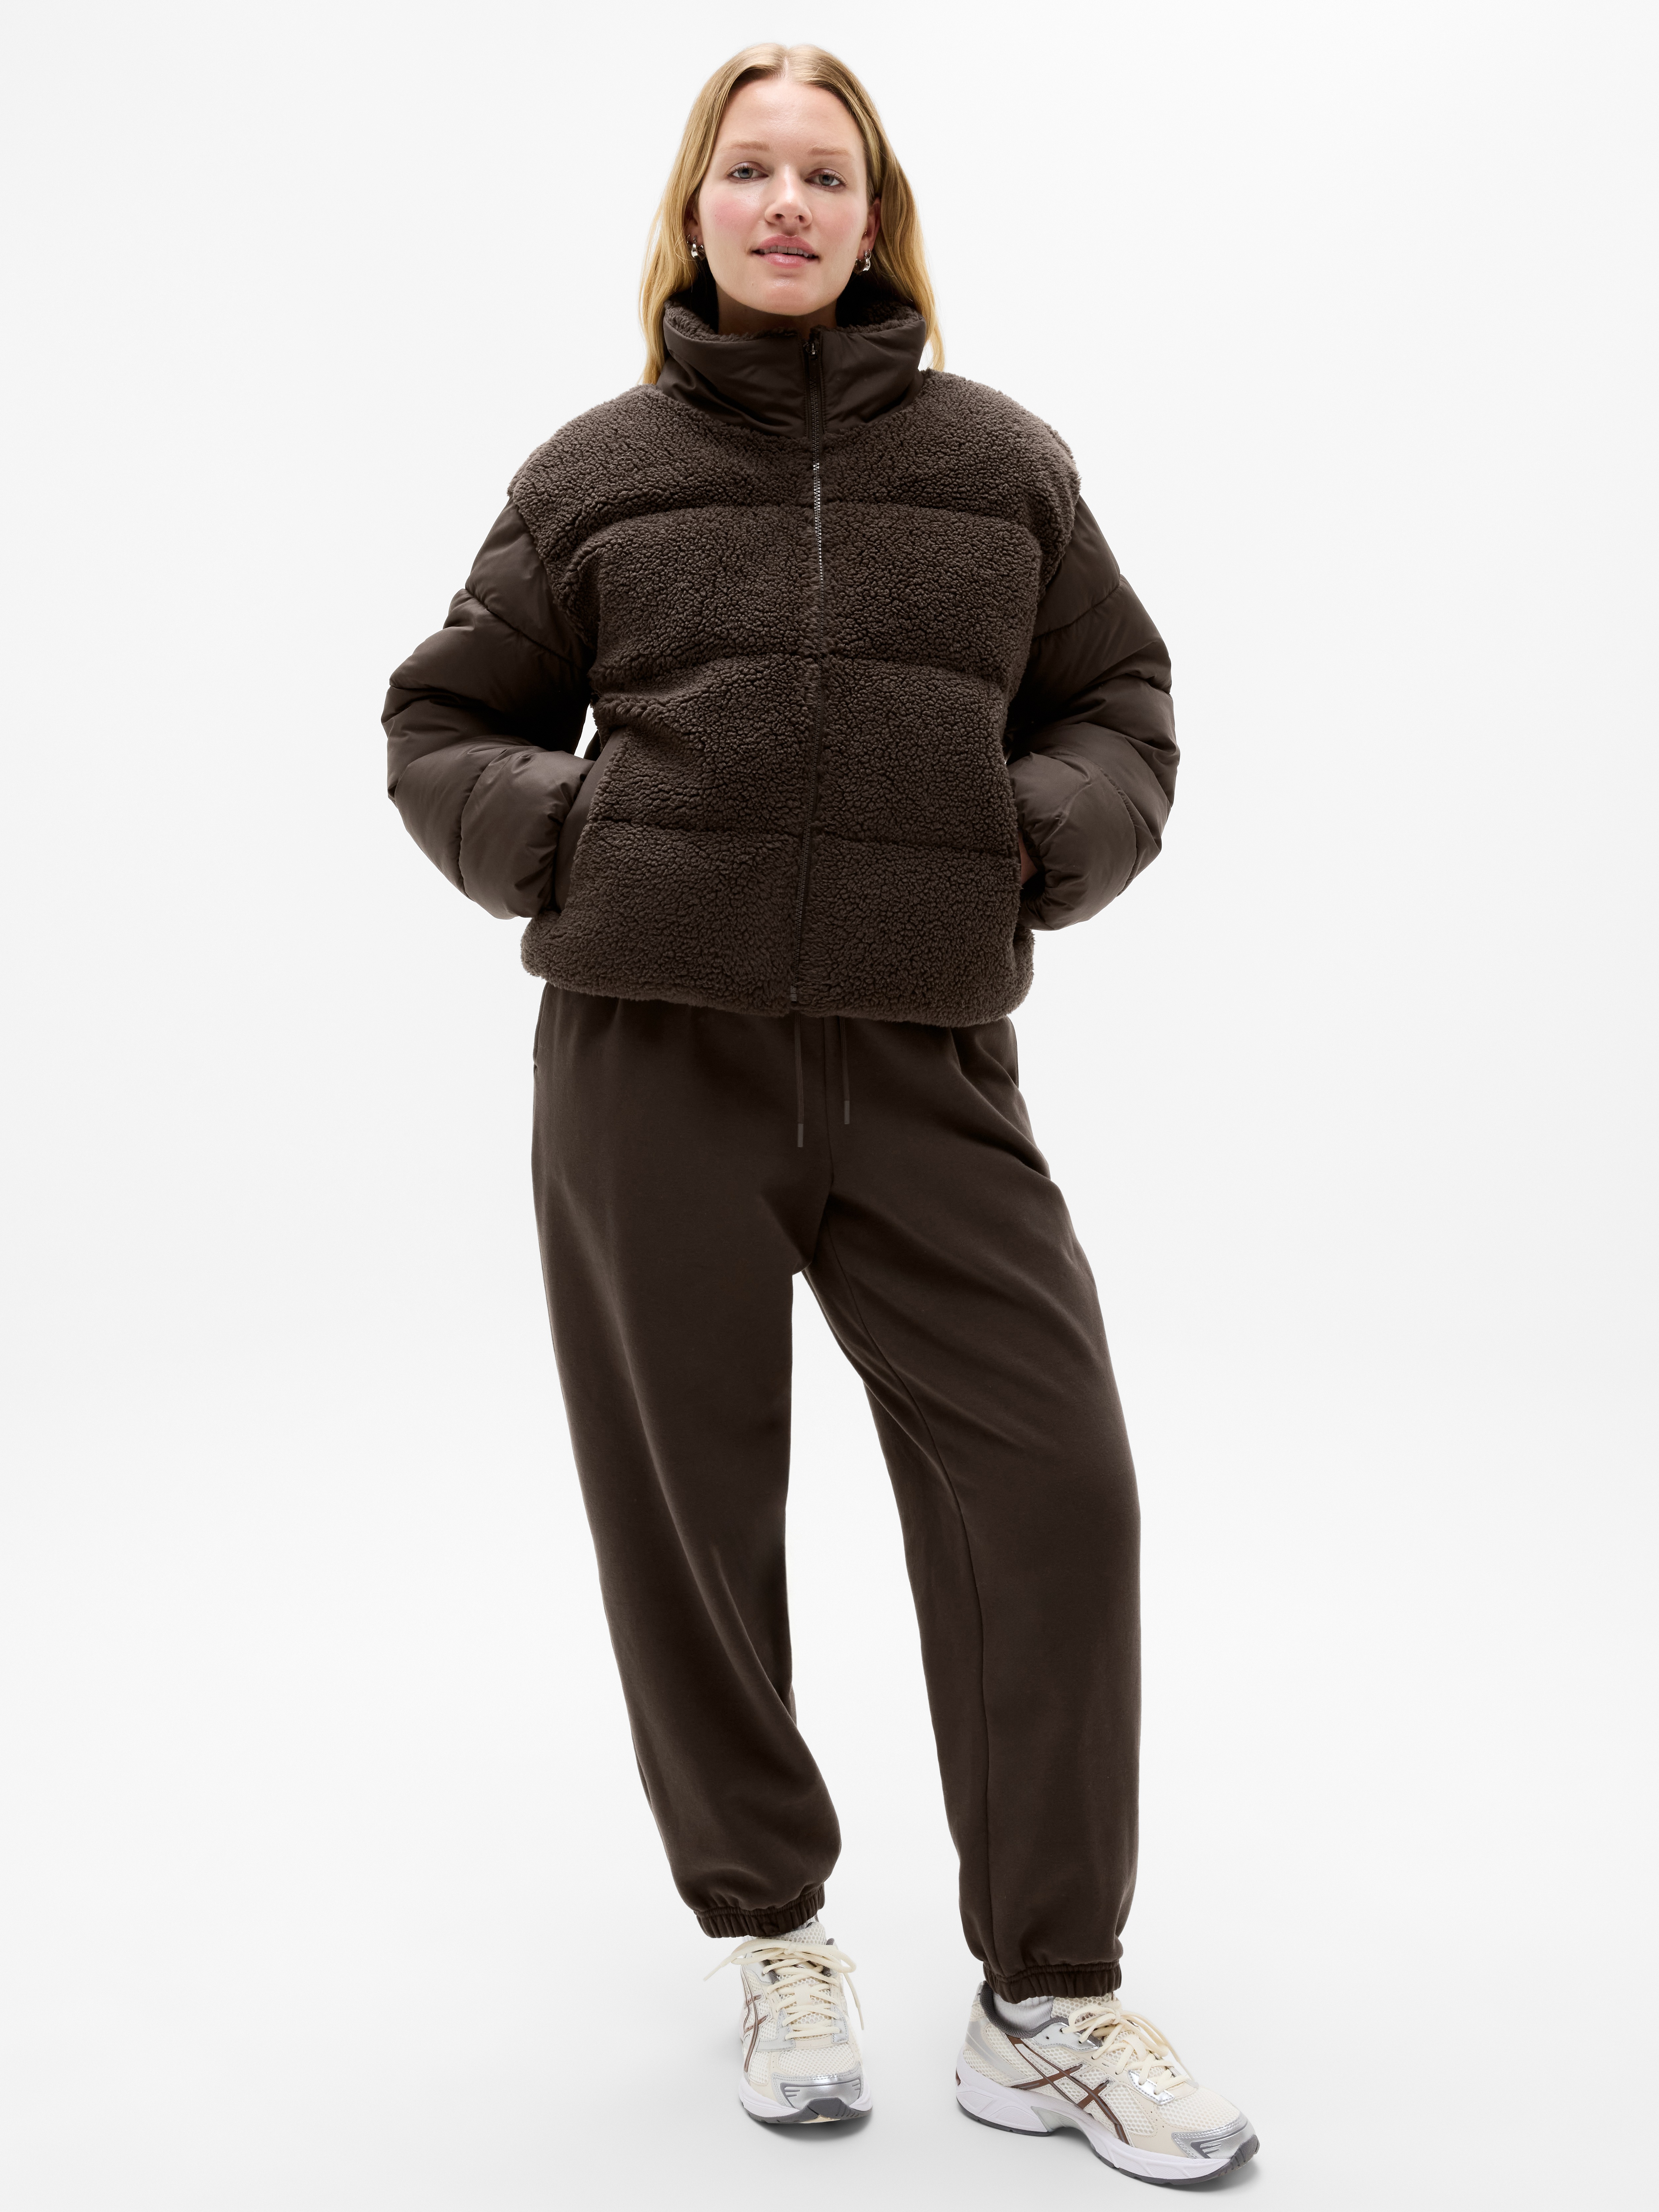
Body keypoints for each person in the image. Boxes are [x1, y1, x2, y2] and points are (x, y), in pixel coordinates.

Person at [383, 40, 1256, 2185]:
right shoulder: (595, 473)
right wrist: (573, 842)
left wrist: (1034, 831)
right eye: (748, 170)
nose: (785, 205)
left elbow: (1119, 701)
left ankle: (1047, 1997)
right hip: (645, 1061)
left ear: (877, 221)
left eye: (825, 176)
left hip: (921, 1064)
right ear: (695, 210)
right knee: (688, 1515)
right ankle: (771, 1933)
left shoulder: (1001, 467)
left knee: (1055, 1492)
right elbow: (442, 719)